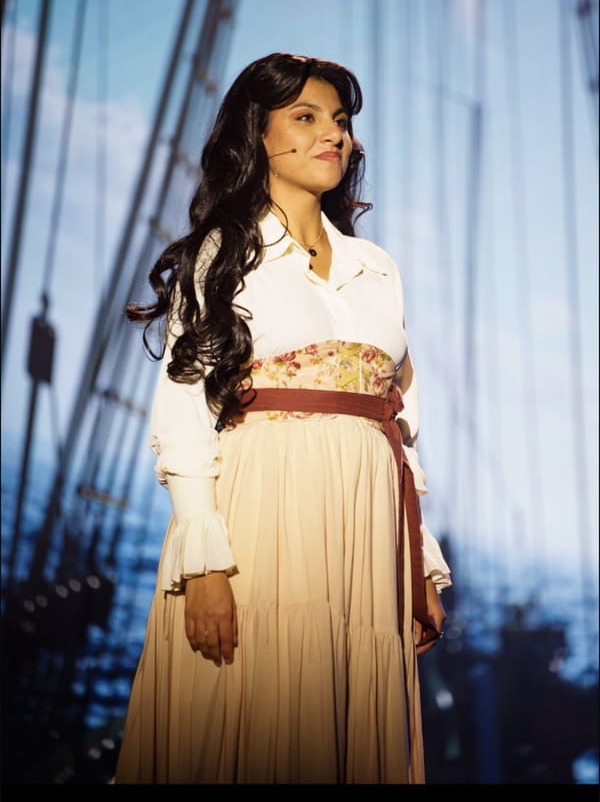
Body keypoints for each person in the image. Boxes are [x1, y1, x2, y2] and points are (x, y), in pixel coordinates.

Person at [114, 52, 451, 785]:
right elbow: (184, 414)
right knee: (252, 715)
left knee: (344, 727)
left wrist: (417, 561)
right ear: (256, 134)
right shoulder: (223, 253)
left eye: (341, 121)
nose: (334, 134)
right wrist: (205, 568)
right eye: (305, 117)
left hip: (367, 534)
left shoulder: (377, 268)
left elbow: (401, 427)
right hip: (261, 515)